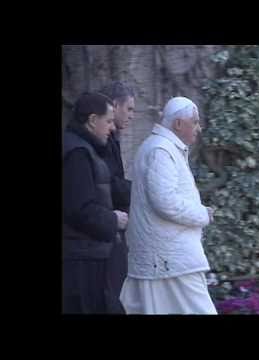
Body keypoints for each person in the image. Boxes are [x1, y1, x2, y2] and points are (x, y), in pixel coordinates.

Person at [120, 96, 217, 314]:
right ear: (178, 124)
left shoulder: (162, 148)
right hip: (171, 259)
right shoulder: (161, 151)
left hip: (167, 258)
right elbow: (165, 202)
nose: (198, 128)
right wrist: (202, 214)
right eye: (195, 122)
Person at [63, 92, 129, 314]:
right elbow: (79, 208)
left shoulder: (82, 148)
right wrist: (113, 219)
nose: (112, 128)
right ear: (92, 120)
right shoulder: (78, 153)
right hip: (82, 260)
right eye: (109, 121)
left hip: (86, 255)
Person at [97, 81, 135, 313]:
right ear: (115, 105)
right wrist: (140, 189)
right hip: (107, 227)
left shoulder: (111, 139)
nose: (132, 115)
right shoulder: (102, 142)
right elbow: (108, 183)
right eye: (129, 109)